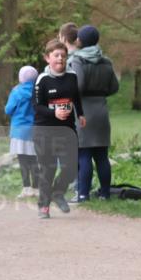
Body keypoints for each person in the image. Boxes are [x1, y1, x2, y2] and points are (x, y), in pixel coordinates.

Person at [63, 24, 119, 202]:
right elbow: (114, 87)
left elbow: (77, 85)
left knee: (84, 153)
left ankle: (82, 194)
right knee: (102, 155)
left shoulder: (77, 60)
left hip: (83, 111)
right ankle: (104, 193)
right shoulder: (106, 61)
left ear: (80, 41)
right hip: (101, 110)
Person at [33, 39, 85, 218]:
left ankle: (58, 192)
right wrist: (54, 113)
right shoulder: (42, 80)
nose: (60, 59)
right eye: (56, 55)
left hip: (67, 129)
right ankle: (43, 206)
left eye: (63, 55)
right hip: (45, 130)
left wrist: (80, 114)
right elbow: (37, 107)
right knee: (47, 168)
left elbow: (76, 96)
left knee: (72, 165)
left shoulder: (72, 76)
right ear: (48, 58)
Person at [5, 65, 40, 198]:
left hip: (19, 131)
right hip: (35, 130)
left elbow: (8, 110)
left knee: (23, 160)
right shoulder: (39, 91)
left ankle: (26, 188)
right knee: (35, 160)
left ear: (21, 78)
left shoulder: (17, 92)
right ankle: (36, 188)